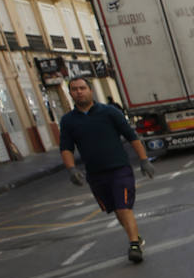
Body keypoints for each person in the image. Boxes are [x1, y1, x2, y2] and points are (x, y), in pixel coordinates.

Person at [59, 76, 156, 263]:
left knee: (123, 206)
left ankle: (134, 246)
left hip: (119, 169)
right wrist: (71, 170)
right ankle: (135, 237)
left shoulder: (109, 112)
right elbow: (66, 148)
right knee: (116, 210)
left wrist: (144, 160)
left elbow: (131, 136)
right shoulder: (68, 121)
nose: (79, 92)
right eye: (74, 89)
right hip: (95, 174)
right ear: (70, 93)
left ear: (90, 90)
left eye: (82, 88)